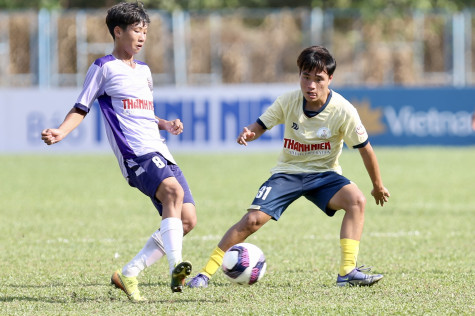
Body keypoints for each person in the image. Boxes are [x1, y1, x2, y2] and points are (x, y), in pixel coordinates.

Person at [187, 45, 390, 288]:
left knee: (356, 200)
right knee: (252, 220)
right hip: (287, 174)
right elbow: (261, 124)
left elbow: (365, 148)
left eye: (319, 79)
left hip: (324, 176)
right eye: (306, 77)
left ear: (330, 79)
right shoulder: (288, 101)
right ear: (299, 76)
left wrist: (377, 186)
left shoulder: (344, 110)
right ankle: (204, 274)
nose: (311, 85)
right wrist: (249, 133)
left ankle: (347, 272)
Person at [41, 1, 195, 301]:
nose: (142, 37)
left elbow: (141, 111)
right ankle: (176, 267)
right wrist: (61, 130)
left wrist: (165, 123)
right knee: (173, 194)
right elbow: (81, 106)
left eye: (145, 32)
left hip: (160, 151)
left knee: (187, 220)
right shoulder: (103, 68)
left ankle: (129, 273)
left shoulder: (145, 71)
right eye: (136, 31)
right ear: (118, 31)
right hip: (135, 154)